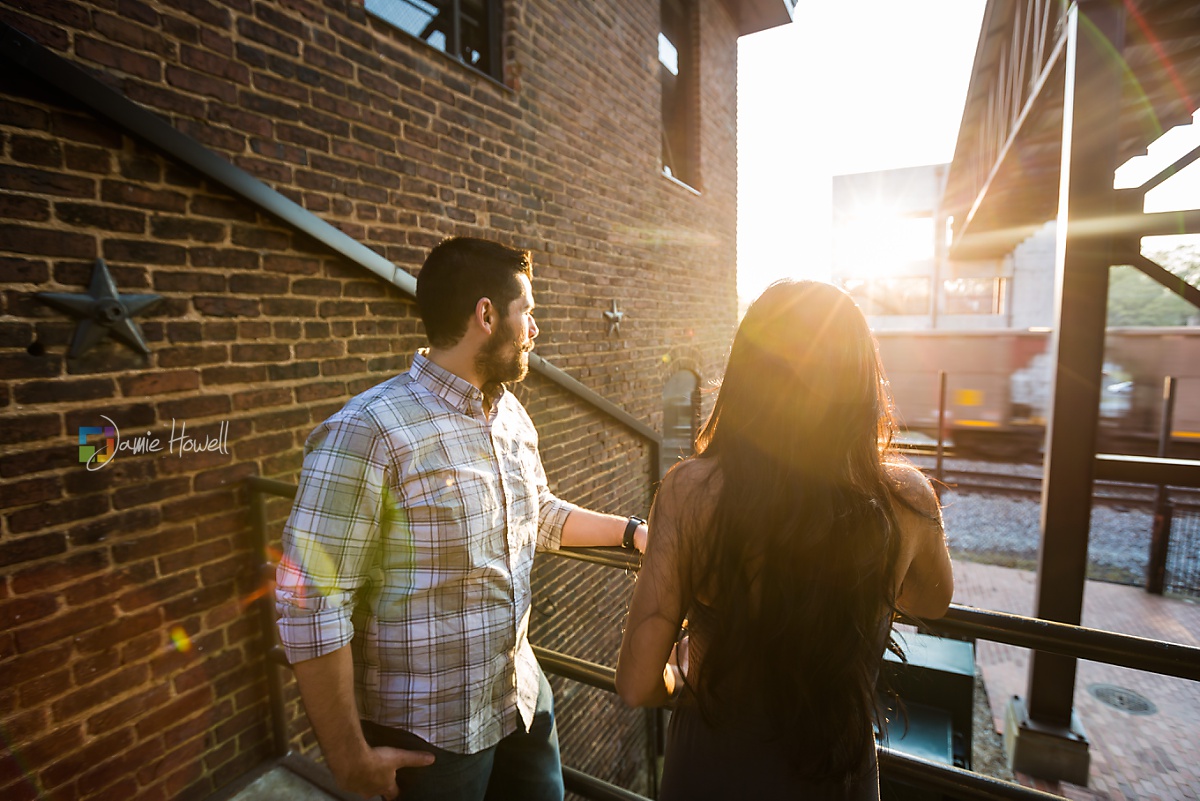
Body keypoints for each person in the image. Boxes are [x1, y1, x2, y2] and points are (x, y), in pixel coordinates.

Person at [275, 237, 649, 801]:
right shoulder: (368, 430)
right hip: (430, 740)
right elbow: (309, 601)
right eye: (528, 311)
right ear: (486, 314)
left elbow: (538, 514)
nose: (534, 329)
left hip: (522, 703)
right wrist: (347, 757)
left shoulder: (512, 414)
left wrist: (631, 532)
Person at [615, 280, 953, 800]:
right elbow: (931, 600)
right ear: (860, 379)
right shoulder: (905, 497)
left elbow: (638, 683)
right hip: (835, 774)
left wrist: (680, 674)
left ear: (748, 376)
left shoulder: (692, 490)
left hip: (709, 774)